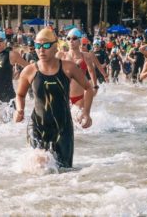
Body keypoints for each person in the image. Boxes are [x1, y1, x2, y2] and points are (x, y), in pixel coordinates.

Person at [14, 28, 94, 168]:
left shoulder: (68, 68)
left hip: (63, 127)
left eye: (46, 45)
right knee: (38, 167)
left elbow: (89, 88)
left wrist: (86, 113)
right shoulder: (29, 71)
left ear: (55, 46)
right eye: (38, 46)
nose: (41, 50)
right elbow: (20, 95)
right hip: (37, 126)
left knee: (64, 172)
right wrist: (19, 110)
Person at [57, 28, 98, 109]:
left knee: (79, 120)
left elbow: (91, 71)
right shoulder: (61, 55)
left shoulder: (85, 56)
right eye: (68, 38)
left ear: (80, 41)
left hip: (79, 97)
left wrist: (95, 87)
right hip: (63, 97)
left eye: (74, 38)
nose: (71, 40)